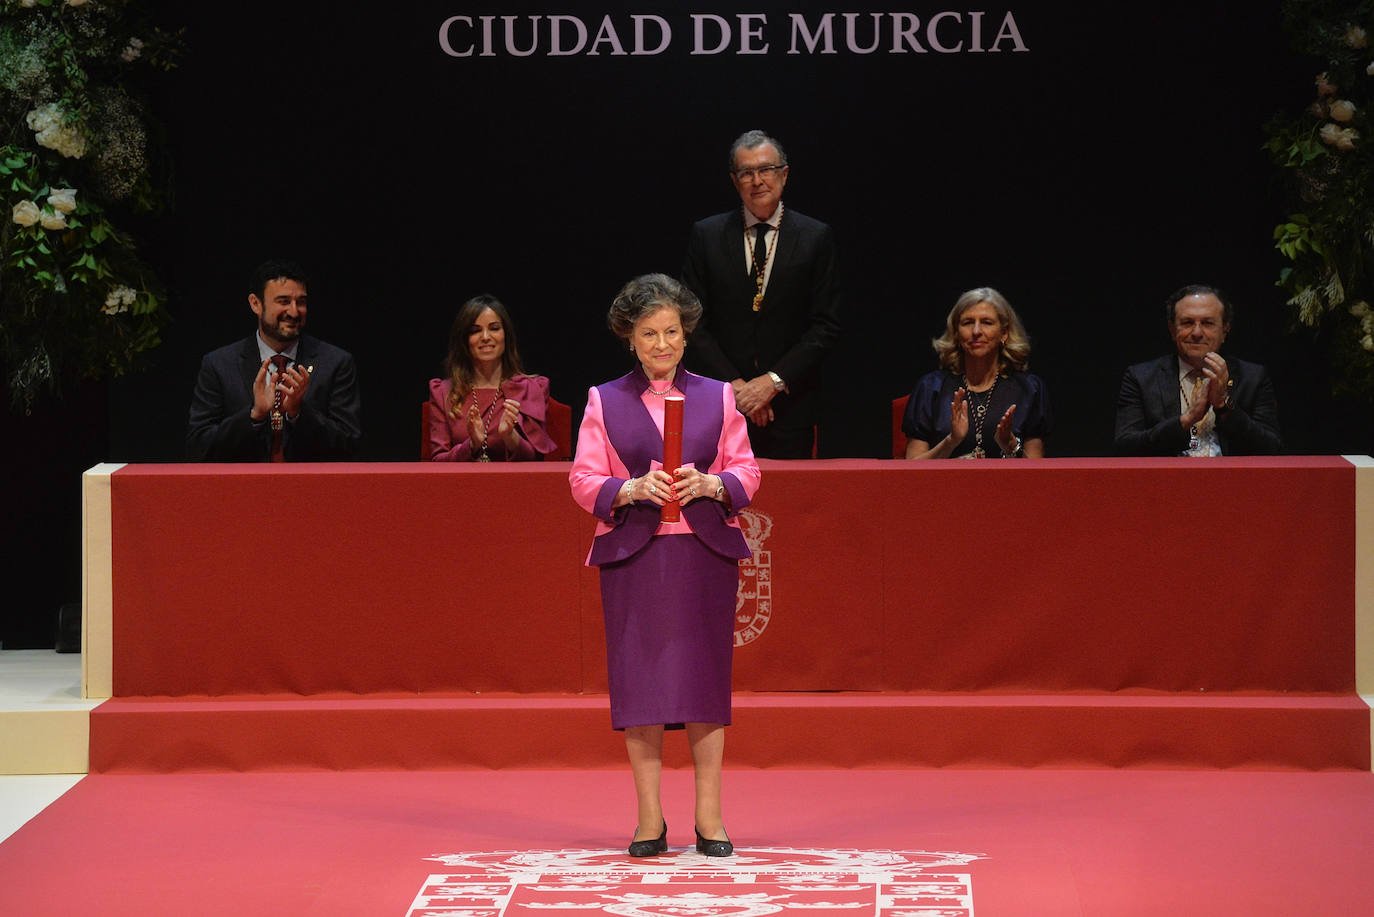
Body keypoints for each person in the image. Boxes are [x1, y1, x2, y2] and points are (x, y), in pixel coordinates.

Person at [569, 273, 760, 858]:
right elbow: (581, 479)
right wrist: (628, 490)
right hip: (635, 555)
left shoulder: (718, 395)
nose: (661, 344)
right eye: (649, 333)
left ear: (686, 334)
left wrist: (713, 482)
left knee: (704, 688)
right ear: (630, 337)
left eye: (671, 332)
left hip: (703, 554)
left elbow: (748, 470)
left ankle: (711, 820)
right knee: (643, 688)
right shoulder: (605, 398)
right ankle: (649, 820)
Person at [682, 129, 843, 458]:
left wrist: (772, 382)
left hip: (790, 405)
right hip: (721, 403)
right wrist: (737, 387)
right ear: (734, 180)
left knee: (789, 506)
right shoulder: (707, 235)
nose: (757, 180)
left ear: (784, 174)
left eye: (766, 169)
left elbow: (825, 324)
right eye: (747, 172)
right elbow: (692, 321)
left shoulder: (815, 237)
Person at [187, 259, 361, 461]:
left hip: (309, 488)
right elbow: (197, 447)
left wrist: (298, 413)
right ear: (256, 304)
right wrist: (254, 415)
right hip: (243, 488)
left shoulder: (336, 363)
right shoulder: (219, 364)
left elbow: (349, 448)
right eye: (283, 301)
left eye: (301, 302)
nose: (294, 312)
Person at [1114, 284, 1282, 456]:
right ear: (1172, 330)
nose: (1196, 332)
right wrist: (1186, 420)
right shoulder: (1140, 378)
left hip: (1233, 479)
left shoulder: (1253, 377)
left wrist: (1224, 405)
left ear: (1225, 330)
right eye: (1187, 323)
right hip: (1169, 479)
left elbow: (1270, 447)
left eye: (1207, 323)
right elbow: (1125, 447)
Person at [902, 287, 1051, 459]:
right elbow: (911, 470)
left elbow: (1037, 473)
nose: (976, 331)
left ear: (1004, 333)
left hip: (1008, 486)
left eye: (987, 322)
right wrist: (951, 441)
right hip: (945, 485)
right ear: (957, 333)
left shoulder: (1030, 389)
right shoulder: (930, 387)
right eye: (967, 323)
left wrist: (1011, 446)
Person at [426, 295, 557, 461]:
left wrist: (510, 436)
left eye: (494, 328)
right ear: (464, 340)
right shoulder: (443, 392)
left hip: (516, 485)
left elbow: (536, 461)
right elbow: (437, 461)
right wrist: (472, 445)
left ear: (506, 335)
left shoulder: (530, 389)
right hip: (460, 485)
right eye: (475, 331)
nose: (486, 337)